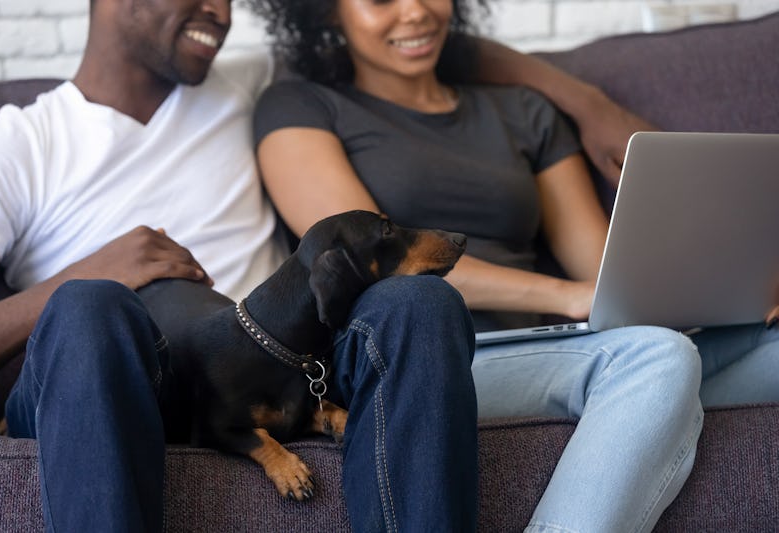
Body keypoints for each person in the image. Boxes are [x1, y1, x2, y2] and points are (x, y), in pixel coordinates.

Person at [0, 0, 672, 532]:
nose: (222, 13)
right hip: (110, 370)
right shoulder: (17, 147)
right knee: (91, 305)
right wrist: (81, 277)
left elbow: (429, 39)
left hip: (266, 365)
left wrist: (589, 103)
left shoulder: (247, 84)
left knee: (418, 301)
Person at [245, 1, 722, 532]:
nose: (415, 12)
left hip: (560, 344)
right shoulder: (300, 107)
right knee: (658, 359)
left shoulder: (522, 110)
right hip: (423, 357)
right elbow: (367, 264)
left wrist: (724, 289)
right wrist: (568, 295)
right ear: (327, 13)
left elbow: (604, 265)